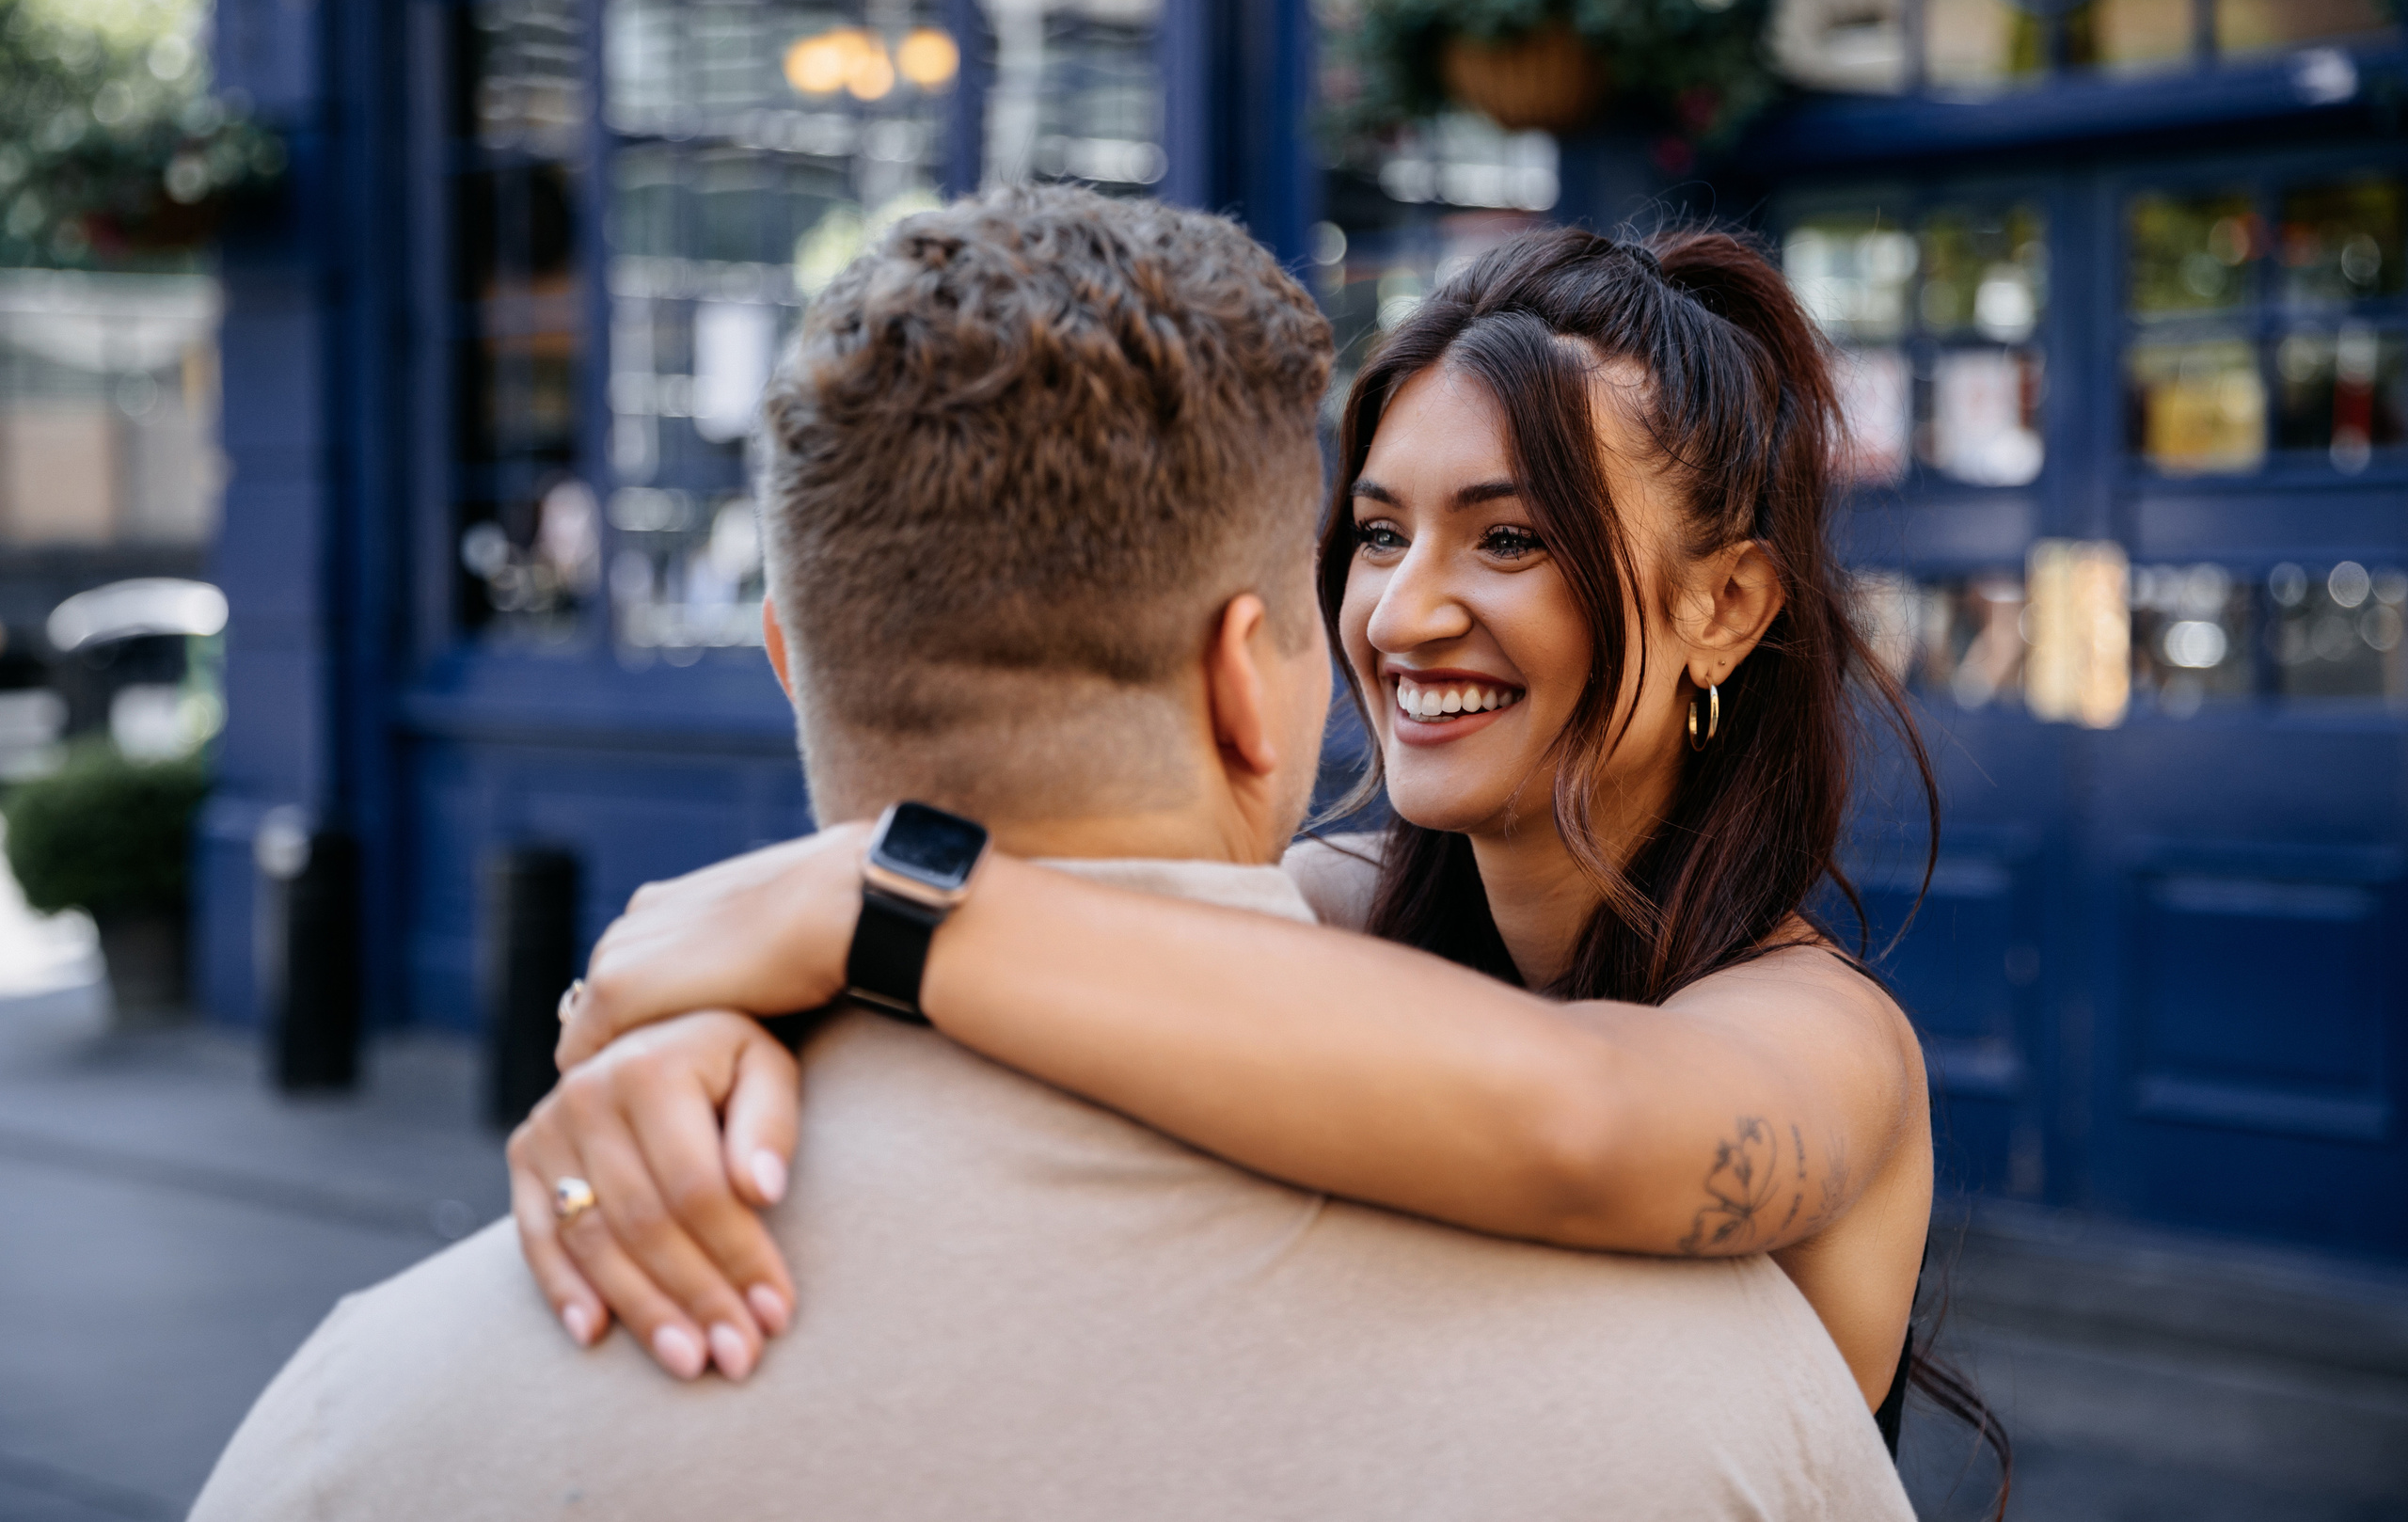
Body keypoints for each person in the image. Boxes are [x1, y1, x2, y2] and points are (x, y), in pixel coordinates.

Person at [191, 184, 1915, 1522]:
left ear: (1728, 605)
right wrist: (709, 1040)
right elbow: (1119, 932)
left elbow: (1589, 1125)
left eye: (1514, 536)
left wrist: (871, 891)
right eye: (1377, 531)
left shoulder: (1816, 1036)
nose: (1403, 608)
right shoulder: (1322, 915)